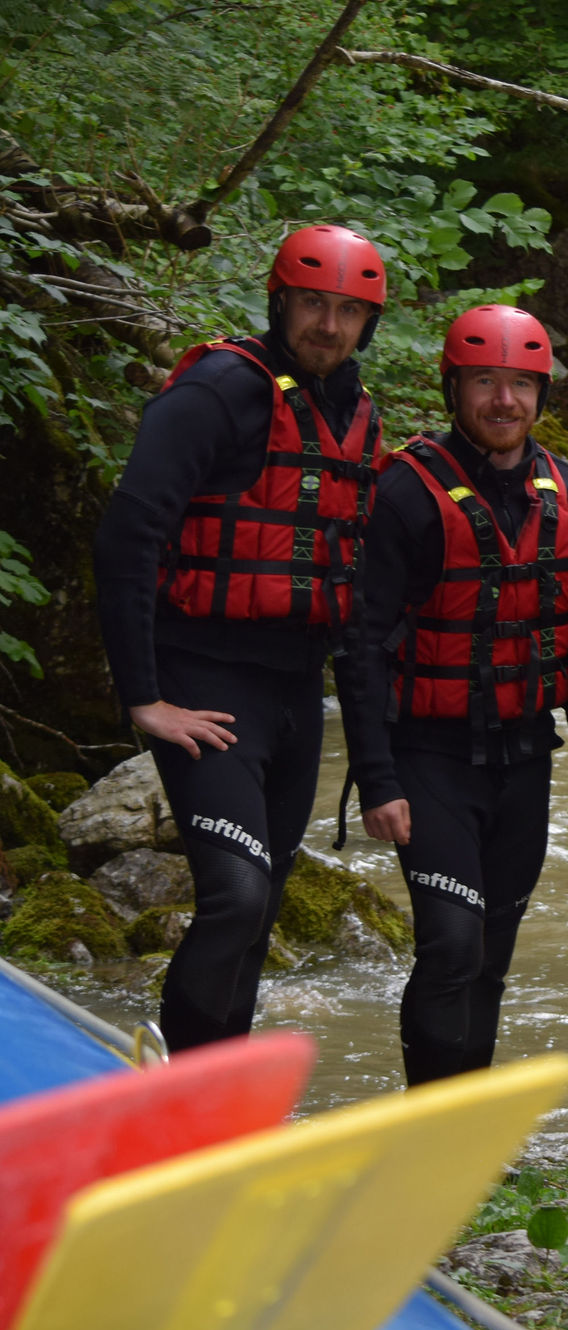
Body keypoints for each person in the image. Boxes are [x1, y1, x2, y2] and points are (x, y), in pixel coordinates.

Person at [93, 224, 388, 1051]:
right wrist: (143, 695)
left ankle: (213, 1104)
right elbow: (129, 534)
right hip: (202, 682)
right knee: (235, 894)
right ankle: (178, 1085)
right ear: (279, 300)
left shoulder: (356, 415)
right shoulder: (220, 389)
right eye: (312, 304)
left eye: (347, 311)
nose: (328, 326)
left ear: (369, 323)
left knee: (260, 908)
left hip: (296, 697)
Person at [336, 305, 568, 1085]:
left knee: (491, 954)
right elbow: (361, 644)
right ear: (455, 388)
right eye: (486, 382)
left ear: (541, 395)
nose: (504, 402)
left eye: (520, 384)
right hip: (427, 756)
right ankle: (427, 1121)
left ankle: (466, 1133)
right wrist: (376, 778)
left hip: (523, 758)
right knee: (451, 941)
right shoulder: (407, 495)